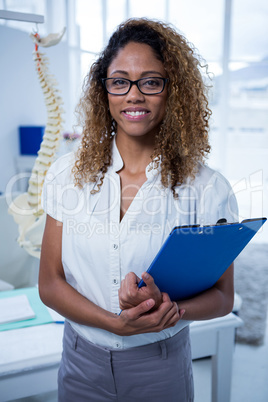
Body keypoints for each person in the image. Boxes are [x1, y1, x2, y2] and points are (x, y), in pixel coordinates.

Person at [39, 18, 238, 402]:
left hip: (160, 368)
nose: (134, 95)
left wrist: (168, 309)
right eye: (119, 81)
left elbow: (223, 298)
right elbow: (49, 283)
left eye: (151, 81)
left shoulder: (209, 188)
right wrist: (115, 324)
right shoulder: (66, 174)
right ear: (105, 91)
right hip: (81, 362)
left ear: (172, 91)